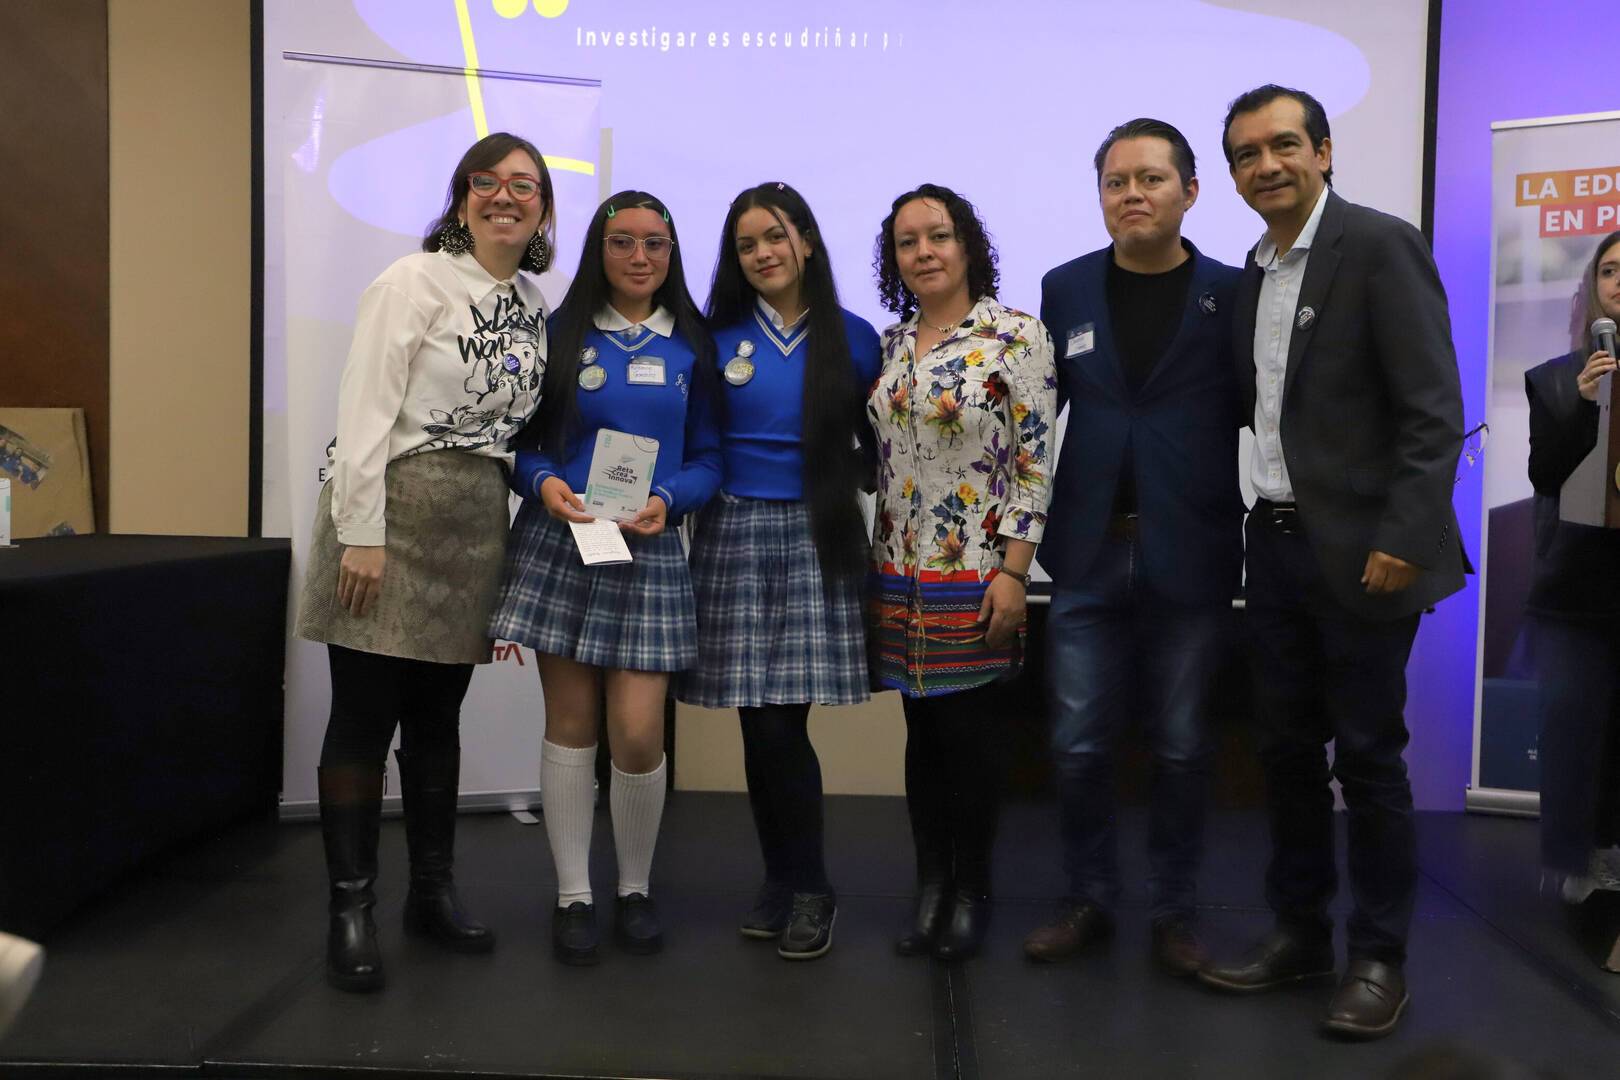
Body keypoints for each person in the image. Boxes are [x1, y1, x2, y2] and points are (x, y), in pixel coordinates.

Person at [1196, 85, 1469, 1039]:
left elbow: (1433, 410)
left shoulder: (1380, 245)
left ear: (1323, 152)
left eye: (1282, 146)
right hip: (1270, 546)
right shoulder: (1252, 272)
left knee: (1368, 757)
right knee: (1282, 753)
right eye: (1245, 155)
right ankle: (1300, 933)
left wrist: (1404, 533)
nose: (1265, 166)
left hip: (1366, 556)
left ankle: (1379, 957)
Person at [295, 132, 555, 992]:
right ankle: (351, 910)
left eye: (526, 186)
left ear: (545, 209)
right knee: (365, 719)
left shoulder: (531, 305)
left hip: (474, 522)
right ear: (462, 197)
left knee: (438, 720)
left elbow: (510, 431)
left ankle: (431, 896)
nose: (506, 197)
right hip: (390, 513)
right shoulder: (413, 282)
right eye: (489, 182)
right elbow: (364, 410)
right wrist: (361, 531)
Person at [1025, 119, 1242, 975]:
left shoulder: (1235, 291)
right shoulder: (1064, 288)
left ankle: (1177, 913)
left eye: (1152, 179)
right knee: (1078, 743)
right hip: (1088, 549)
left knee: (1186, 744)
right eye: (1117, 181)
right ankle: (1087, 899)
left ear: (1191, 191)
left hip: (1190, 547)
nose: (1133, 195)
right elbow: (1039, 417)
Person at [491, 191, 720, 965]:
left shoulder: (693, 342)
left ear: (671, 253)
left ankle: (634, 888)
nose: (639, 258)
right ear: (599, 249)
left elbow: (709, 459)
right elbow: (523, 443)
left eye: (656, 244)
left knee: (636, 732)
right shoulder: (558, 333)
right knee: (573, 726)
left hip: (648, 548)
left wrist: (669, 498)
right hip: (567, 542)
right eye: (622, 243)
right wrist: (543, 484)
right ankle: (573, 896)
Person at [680, 182, 880, 960]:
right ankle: (779, 879)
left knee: (780, 720)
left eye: (776, 236)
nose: (763, 252)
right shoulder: (713, 336)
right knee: (754, 723)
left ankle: (811, 888)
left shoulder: (857, 337)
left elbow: (882, 443)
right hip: (731, 529)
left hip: (816, 534)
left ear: (807, 242)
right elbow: (693, 439)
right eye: (746, 243)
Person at [868, 183, 1056, 960]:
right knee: (920, 737)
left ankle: (973, 891)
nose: (924, 253)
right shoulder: (889, 344)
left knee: (970, 743)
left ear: (968, 244)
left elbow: (1035, 464)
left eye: (937, 236)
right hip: (899, 576)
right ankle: (931, 888)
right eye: (908, 242)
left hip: (976, 574)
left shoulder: (1016, 337)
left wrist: (1014, 572)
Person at [1524, 230, 1620, 910]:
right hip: (1579, 587)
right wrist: (1585, 407)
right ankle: (1574, 858)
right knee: (1574, 728)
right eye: (1610, 270)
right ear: (1592, 288)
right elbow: (1546, 474)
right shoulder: (1556, 378)